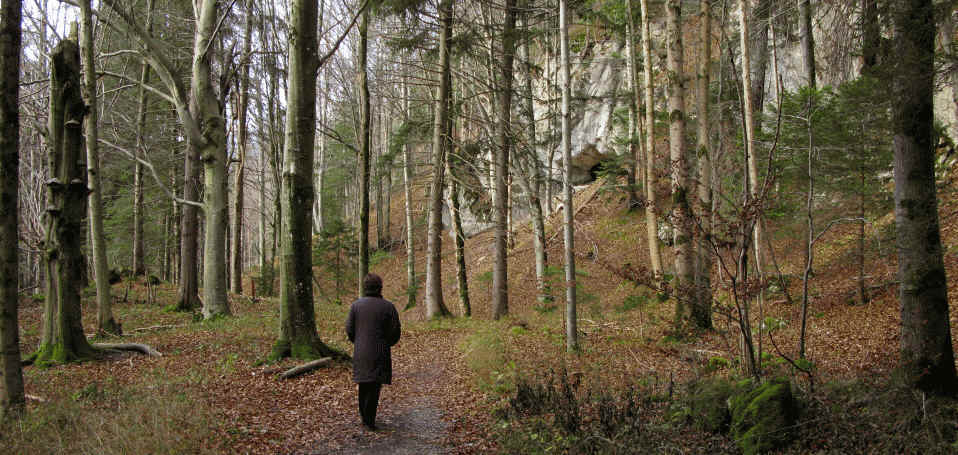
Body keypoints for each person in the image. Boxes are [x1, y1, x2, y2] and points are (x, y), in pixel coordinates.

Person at [345, 273, 401, 430]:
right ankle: (369, 420)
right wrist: (387, 342)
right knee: (374, 386)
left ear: (365, 287)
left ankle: (365, 417)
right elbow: (395, 331)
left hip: (361, 351)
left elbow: (349, 329)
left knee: (363, 384)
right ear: (380, 288)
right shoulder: (388, 307)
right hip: (379, 351)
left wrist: (358, 342)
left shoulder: (355, 306)